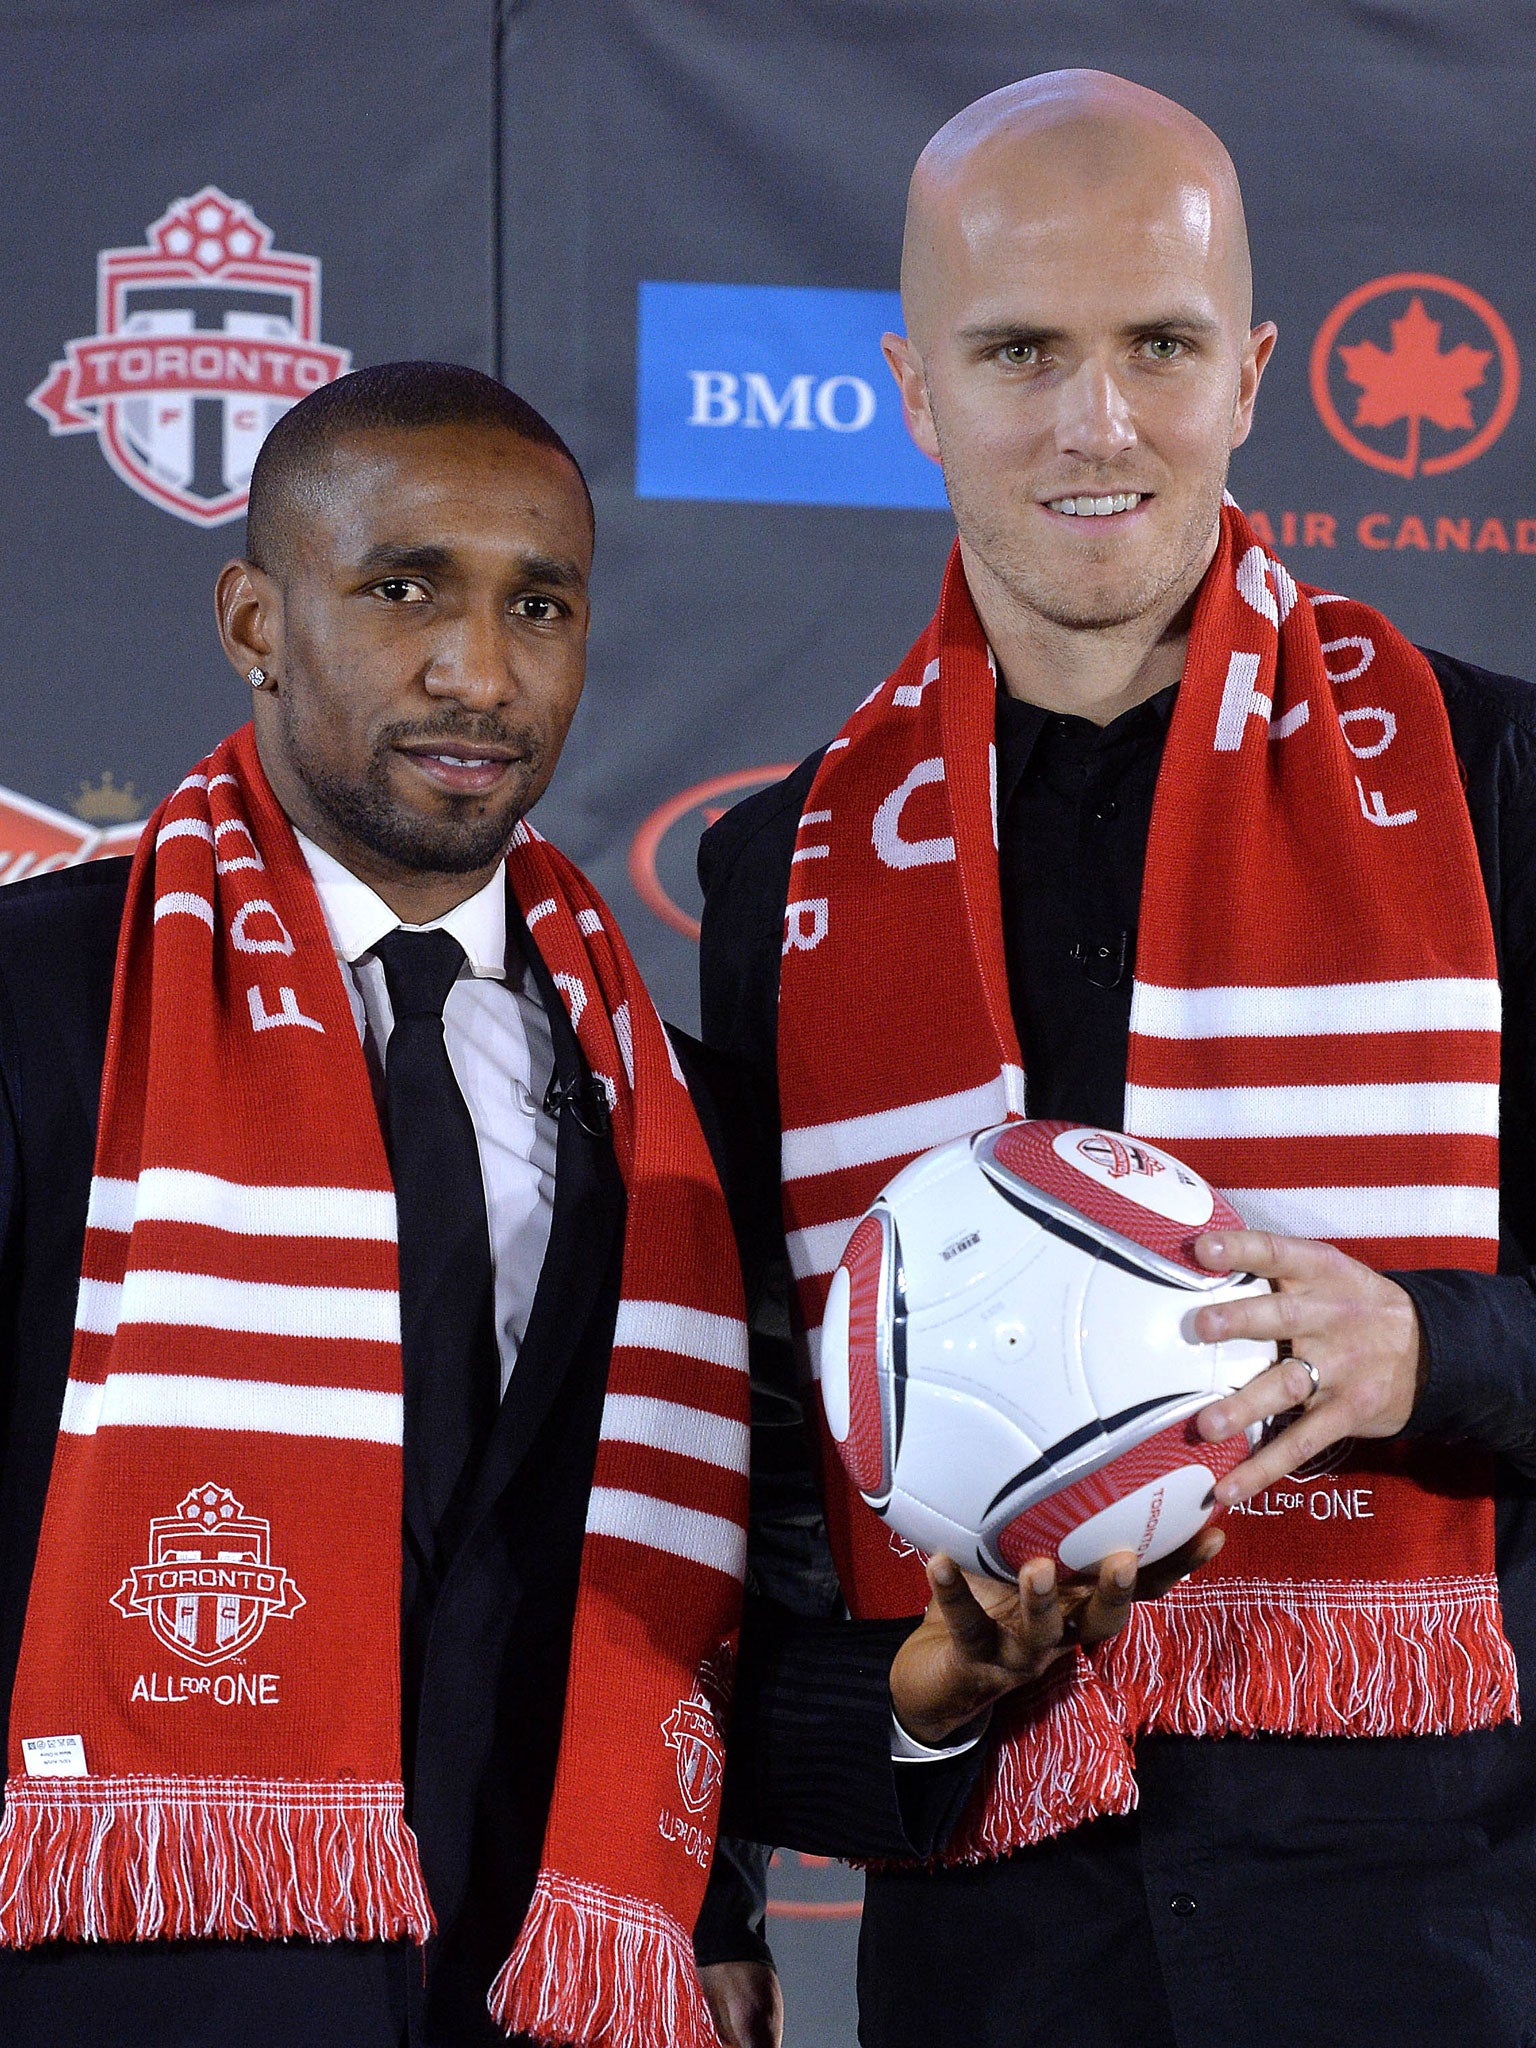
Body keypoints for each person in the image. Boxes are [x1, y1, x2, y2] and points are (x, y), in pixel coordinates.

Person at [0, 361, 1167, 2048]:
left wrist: (934, 1691)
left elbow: (697, 1646)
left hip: (551, 2001)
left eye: (537, 604)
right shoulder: (46, 1004)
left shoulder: (683, 1113)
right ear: (255, 617)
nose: (478, 670)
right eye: (404, 588)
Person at [699, 71, 1536, 2048]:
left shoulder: (1499, 787)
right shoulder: (785, 869)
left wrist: (1432, 1348)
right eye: (1022, 353)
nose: (1099, 425)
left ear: (1250, 372)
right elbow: (767, 1470)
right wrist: (778, 1814)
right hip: (995, 1953)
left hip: (1437, 1927)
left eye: (1157, 346)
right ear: (914, 387)